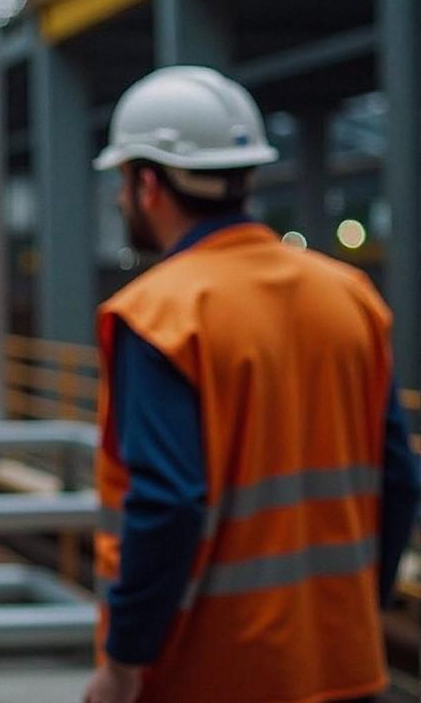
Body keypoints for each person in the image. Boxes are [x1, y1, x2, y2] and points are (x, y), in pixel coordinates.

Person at [83, 66, 421, 703]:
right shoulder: (351, 297)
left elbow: (170, 505)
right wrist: (353, 613)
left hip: (213, 673)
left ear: (149, 183)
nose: (122, 199)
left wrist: (124, 663)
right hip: (344, 663)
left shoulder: (160, 314)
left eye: (123, 182)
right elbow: (399, 479)